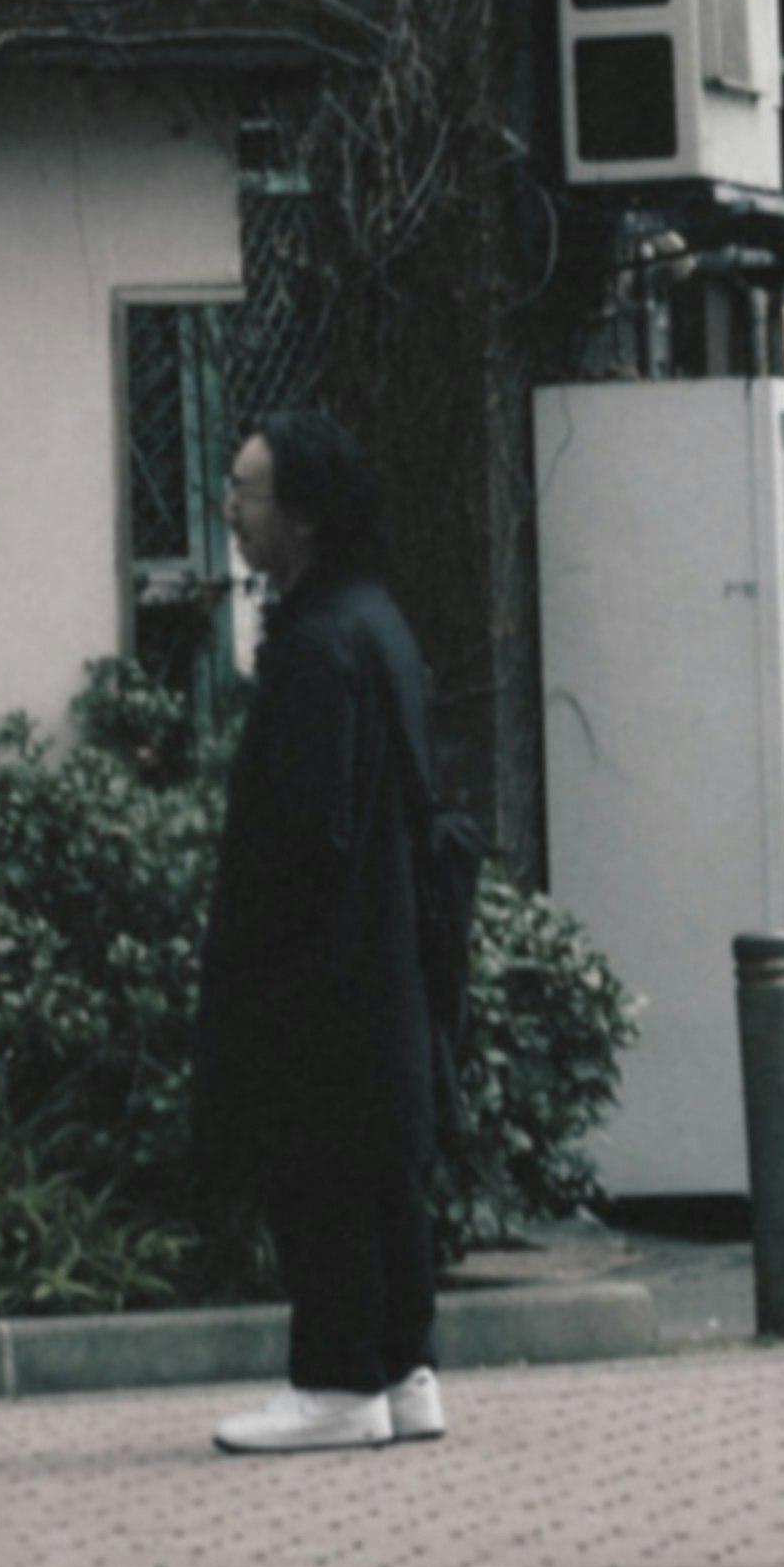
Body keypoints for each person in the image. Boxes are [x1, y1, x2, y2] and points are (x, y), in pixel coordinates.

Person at [192, 410, 449, 1452]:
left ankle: (337, 1382)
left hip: (323, 961)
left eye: (246, 494)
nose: (231, 510)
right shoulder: (377, 620)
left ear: (299, 514)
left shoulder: (315, 645)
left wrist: (255, 967)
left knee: (322, 1160)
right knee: (387, 1161)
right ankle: (404, 1366)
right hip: (390, 942)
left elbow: (296, 831)